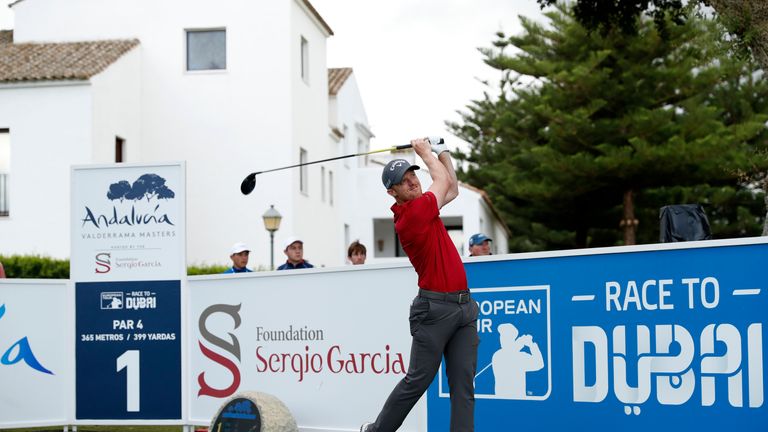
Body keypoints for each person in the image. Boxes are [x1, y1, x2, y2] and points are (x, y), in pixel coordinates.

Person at [361, 138, 479, 432]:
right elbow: (440, 181)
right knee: (418, 380)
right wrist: (425, 151)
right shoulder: (411, 215)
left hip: (464, 309)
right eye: (403, 180)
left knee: (463, 386)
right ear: (392, 192)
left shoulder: (426, 205)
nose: (412, 181)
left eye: (413, 174)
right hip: (434, 310)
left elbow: (450, 186)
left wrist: (442, 150)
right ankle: (378, 430)